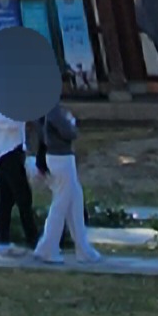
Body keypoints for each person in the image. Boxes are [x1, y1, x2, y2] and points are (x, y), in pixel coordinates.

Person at [29, 99, 103, 266]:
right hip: (61, 157)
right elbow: (69, 132)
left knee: (75, 200)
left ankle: (83, 248)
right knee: (61, 203)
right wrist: (71, 122)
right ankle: (47, 247)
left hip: (57, 157)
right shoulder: (52, 109)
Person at [0, 76, 37, 252]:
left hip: (15, 146)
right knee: (23, 195)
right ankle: (33, 239)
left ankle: (2, 240)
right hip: (3, 149)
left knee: (7, 197)